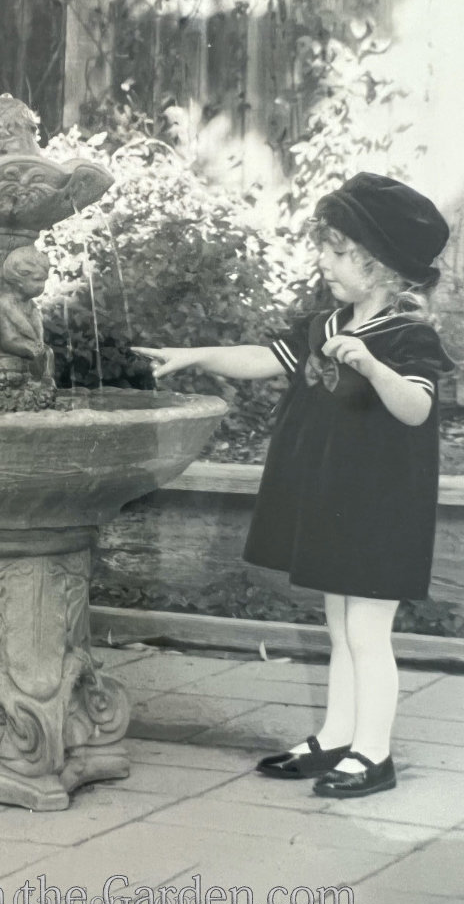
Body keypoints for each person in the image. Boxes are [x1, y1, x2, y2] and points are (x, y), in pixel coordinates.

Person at [133, 173, 454, 798]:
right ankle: (338, 735)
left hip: (382, 509)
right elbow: (264, 358)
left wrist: (370, 365)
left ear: (383, 264)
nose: (323, 262)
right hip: (336, 503)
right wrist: (194, 354)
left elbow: (416, 407)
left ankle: (374, 753)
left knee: (367, 633)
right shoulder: (326, 321)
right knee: (339, 628)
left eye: (337, 253)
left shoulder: (408, 337)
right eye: (324, 249)